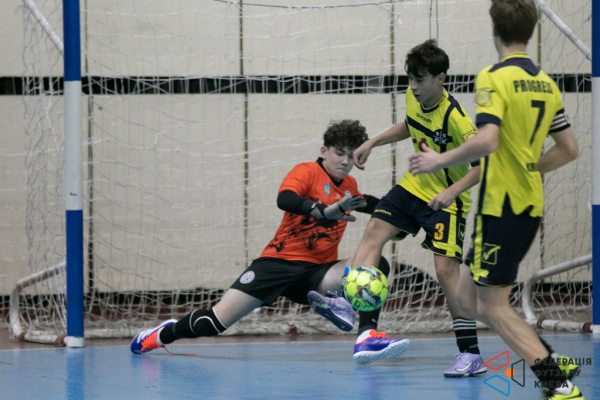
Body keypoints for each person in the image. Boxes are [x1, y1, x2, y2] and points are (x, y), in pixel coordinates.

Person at [408, 1, 582, 399]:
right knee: (467, 299)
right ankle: (547, 357)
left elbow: (486, 141)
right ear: (531, 31)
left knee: (492, 307)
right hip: (529, 203)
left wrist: (439, 160)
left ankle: (558, 385)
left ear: (494, 28)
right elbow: (569, 149)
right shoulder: (546, 83)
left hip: (501, 207)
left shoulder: (493, 77)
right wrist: (530, 167)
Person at [130, 119, 410, 364]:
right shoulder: (307, 171)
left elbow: (374, 205)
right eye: (339, 153)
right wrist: (322, 211)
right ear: (324, 151)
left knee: (375, 265)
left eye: (351, 156)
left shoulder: (349, 188)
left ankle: (365, 334)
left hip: (316, 273)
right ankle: (161, 335)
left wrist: (411, 213)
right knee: (212, 323)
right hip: (277, 264)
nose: (345, 162)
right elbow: (285, 199)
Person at [350, 39, 486, 378]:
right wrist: (373, 141)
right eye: (410, 78)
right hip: (413, 187)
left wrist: (452, 192)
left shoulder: (456, 119)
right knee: (373, 231)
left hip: (447, 200)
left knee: (445, 271)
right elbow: (410, 125)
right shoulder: (415, 96)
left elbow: (482, 166)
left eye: (420, 79)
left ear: (440, 78)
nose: (412, 86)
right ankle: (362, 326)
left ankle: (470, 354)